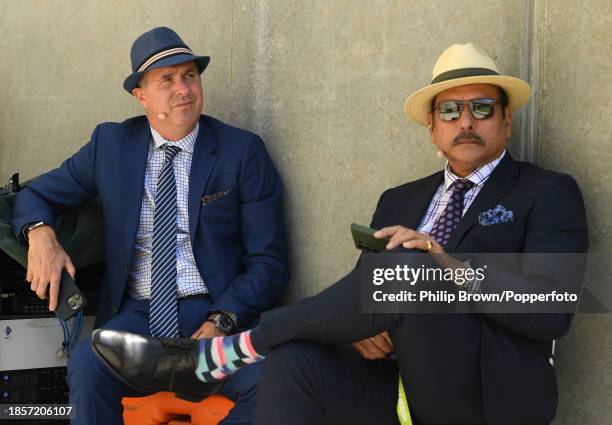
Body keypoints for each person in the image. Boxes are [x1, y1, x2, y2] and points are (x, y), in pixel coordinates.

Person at [90, 43, 588, 425]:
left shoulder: (548, 191)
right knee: (292, 362)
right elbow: (361, 296)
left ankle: (228, 350)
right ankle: (254, 347)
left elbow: (553, 309)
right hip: (387, 382)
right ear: (432, 129)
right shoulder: (400, 199)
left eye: (481, 108)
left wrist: (441, 261)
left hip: (484, 390)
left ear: (505, 120)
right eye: (450, 111)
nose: (465, 122)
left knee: (410, 265)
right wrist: (362, 334)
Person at [11, 27, 288, 425]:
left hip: (216, 317)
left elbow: (270, 262)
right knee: (88, 364)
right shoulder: (111, 145)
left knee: (274, 381)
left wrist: (222, 320)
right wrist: (41, 234)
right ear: (141, 96)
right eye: (167, 80)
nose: (184, 89)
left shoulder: (241, 151)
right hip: (136, 319)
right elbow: (36, 194)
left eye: (190, 75)